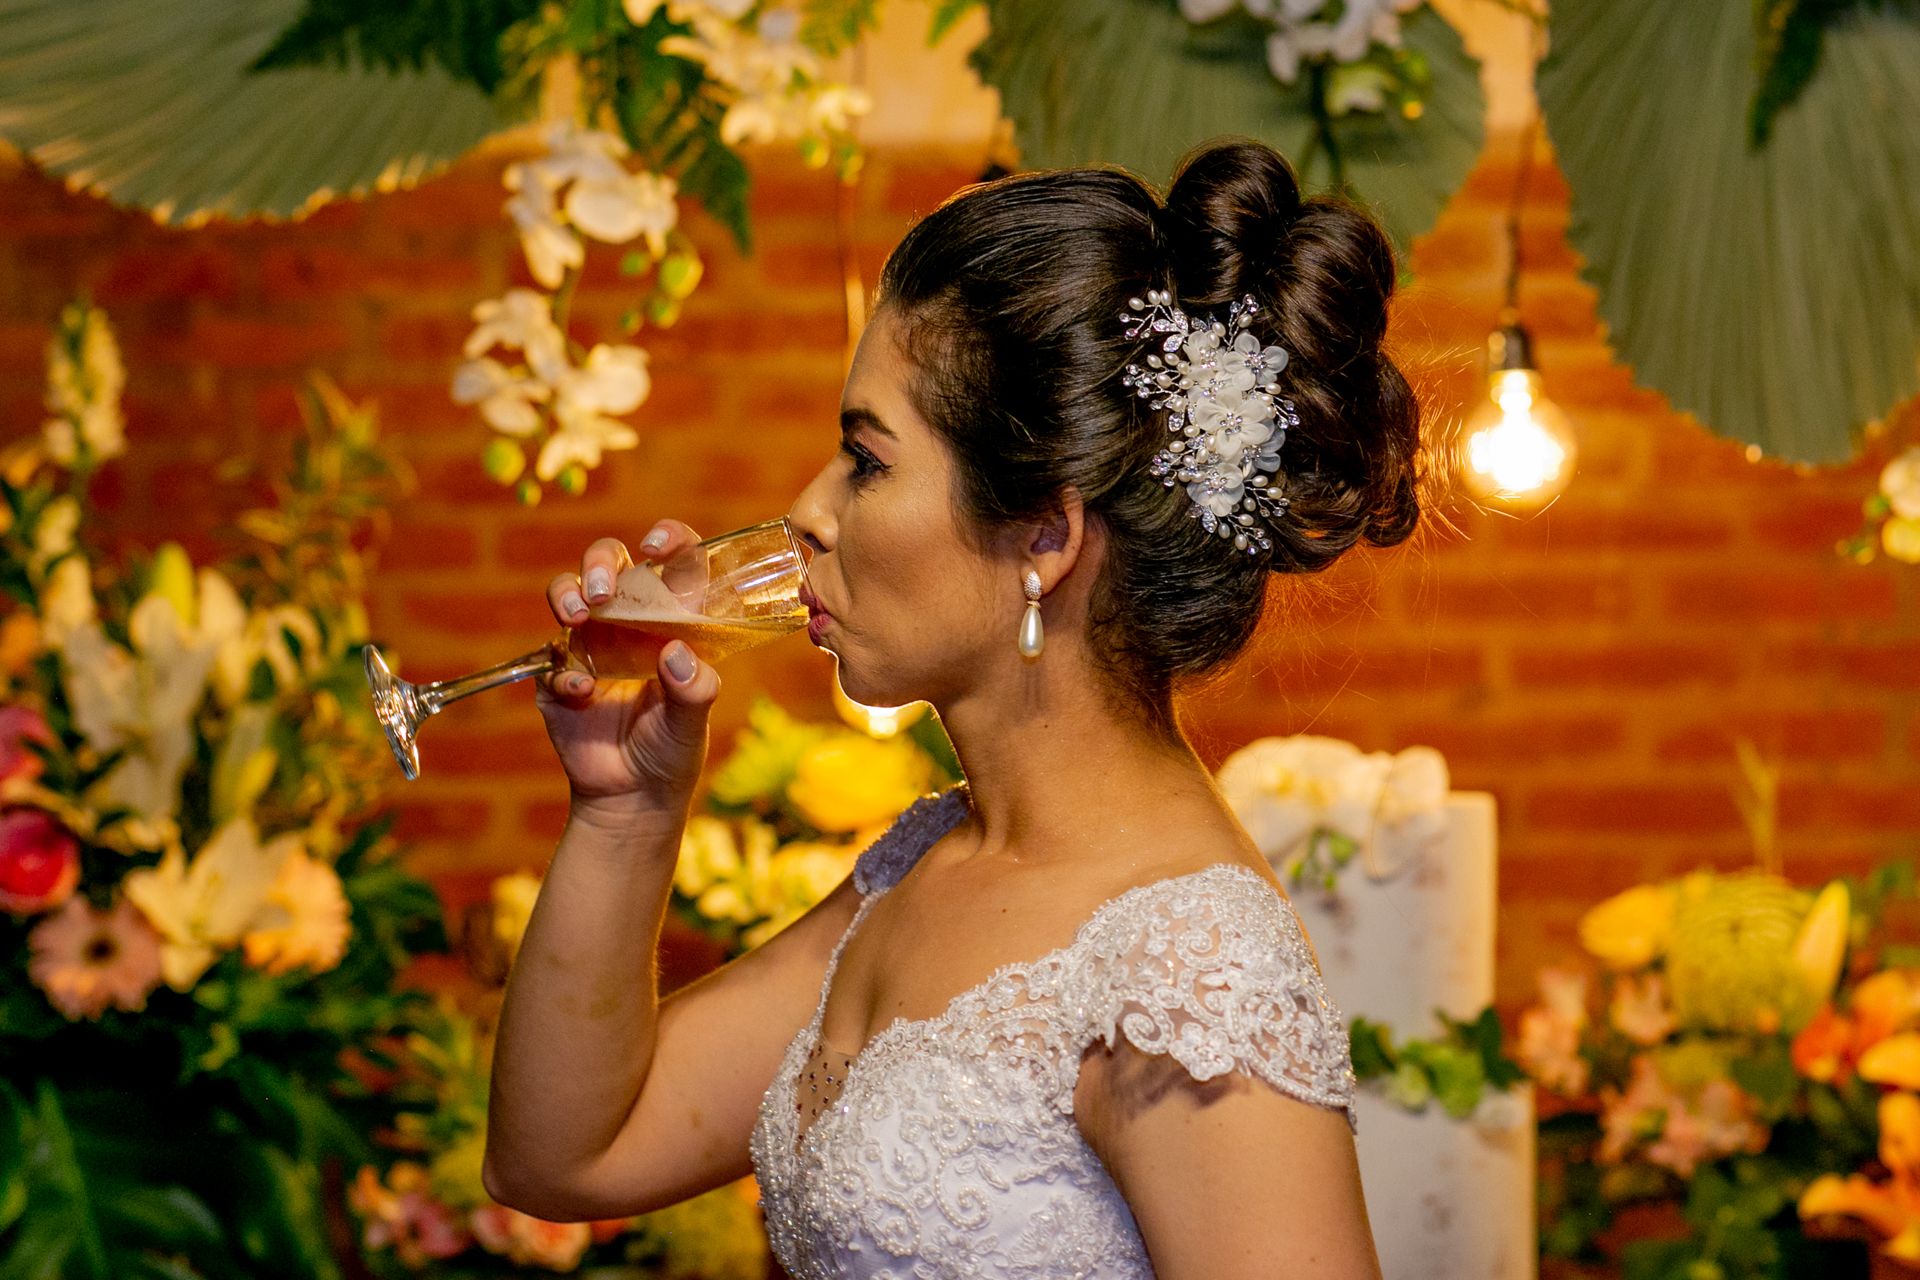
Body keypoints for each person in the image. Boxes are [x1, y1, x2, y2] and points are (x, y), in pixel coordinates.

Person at [483, 136, 1420, 1278]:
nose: (808, 510)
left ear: (1044, 537)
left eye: (865, 460)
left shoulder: (1188, 974)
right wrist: (623, 815)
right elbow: (562, 1157)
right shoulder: (922, 867)